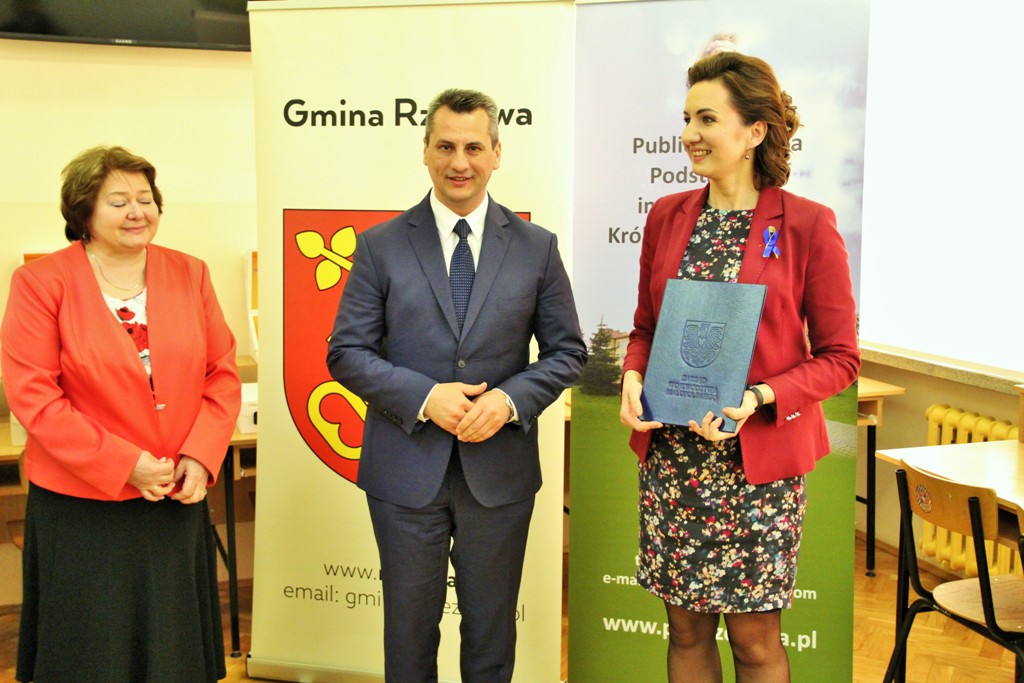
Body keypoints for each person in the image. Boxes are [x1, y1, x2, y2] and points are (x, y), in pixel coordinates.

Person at [327, 87, 587, 683]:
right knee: (409, 636)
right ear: (425, 150)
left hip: (499, 474)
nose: (459, 162)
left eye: (473, 147)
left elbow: (568, 352)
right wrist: (425, 397)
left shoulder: (536, 247)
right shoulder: (380, 245)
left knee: (491, 635)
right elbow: (346, 352)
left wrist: (508, 401)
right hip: (404, 474)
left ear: (497, 152)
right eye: (445, 147)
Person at [619, 51, 860, 683]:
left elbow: (840, 358)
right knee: (685, 631)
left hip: (757, 470)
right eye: (686, 118)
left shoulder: (806, 225)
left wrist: (759, 397)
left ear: (754, 130)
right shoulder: (667, 215)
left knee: (755, 642)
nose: (689, 133)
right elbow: (645, 329)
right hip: (674, 461)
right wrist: (632, 376)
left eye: (706, 118)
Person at [1, 145, 241, 682]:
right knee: (93, 651)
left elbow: (221, 373)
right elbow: (34, 396)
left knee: (173, 651)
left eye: (145, 199)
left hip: (175, 493)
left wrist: (201, 456)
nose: (138, 211)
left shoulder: (190, 272)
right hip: (83, 504)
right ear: (83, 211)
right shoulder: (41, 283)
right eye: (119, 202)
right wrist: (123, 463)